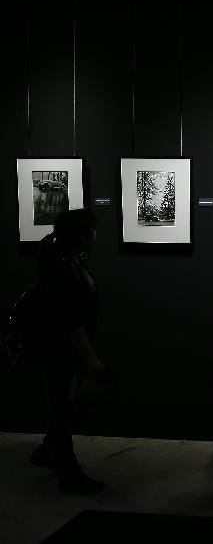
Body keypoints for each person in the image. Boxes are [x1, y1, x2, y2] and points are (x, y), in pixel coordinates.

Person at [28, 209, 105, 495]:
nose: (96, 235)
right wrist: (90, 357)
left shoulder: (67, 260)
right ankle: (69, 473)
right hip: (61, 350)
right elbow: (69, 320)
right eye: (92, 230)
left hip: (64, 348)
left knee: (63, 406)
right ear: (82, 235)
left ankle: (48, 451)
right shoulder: (61, 266)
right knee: (61, 408)